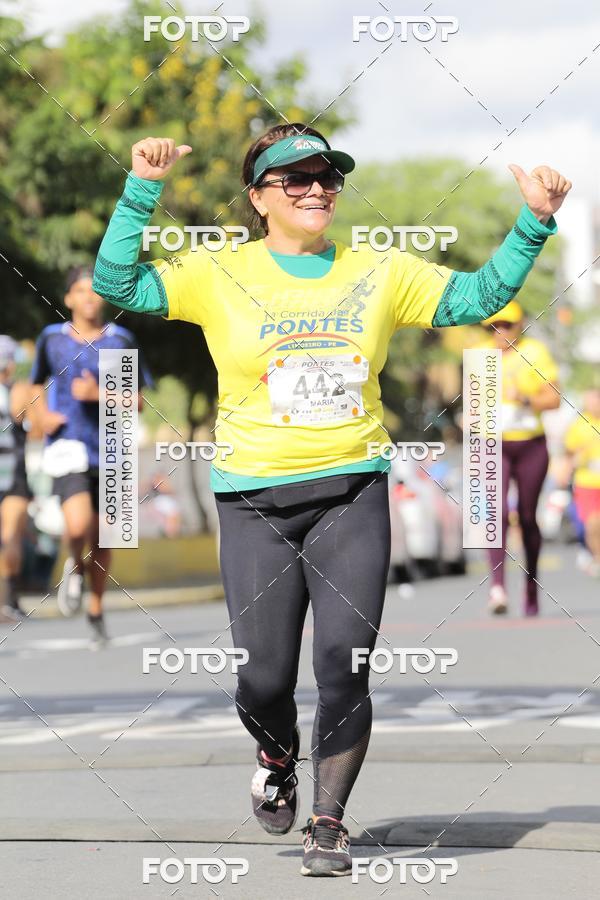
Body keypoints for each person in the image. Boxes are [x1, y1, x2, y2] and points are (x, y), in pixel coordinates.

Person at [92, 125, 570, 876]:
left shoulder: (379, 270)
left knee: (345, 664)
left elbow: (482, 295)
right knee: (263, 679)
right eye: (295, 179)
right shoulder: (219, 272)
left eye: (327, 177)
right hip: (254, 501)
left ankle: (328, 819)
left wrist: (534, 220)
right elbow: (117, 285)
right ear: (259, 198)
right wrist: (141, 188)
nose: (316, 188)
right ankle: (276, 751)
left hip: (352, 490)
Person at [30, 266, 151, 647]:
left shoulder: (118, 342)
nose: (88, 298)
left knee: (105, 538)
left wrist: (100, 395)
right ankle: (73, 565)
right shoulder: (53, 340)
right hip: (68, 444)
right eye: (80, 291)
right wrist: (39, 415)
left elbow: (138, 402)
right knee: (79, 524)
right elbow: (33, 384)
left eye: (94, 291)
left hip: (113, 447)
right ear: (68, 299)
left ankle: (96, 608)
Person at [478, 301, 560, 616]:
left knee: (526, 517)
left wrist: (525, 398)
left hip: (530, 444)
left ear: (520, 324)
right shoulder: (480, 354)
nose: (501, 333)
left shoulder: (536, 352)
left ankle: (531, 586)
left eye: (507, 326)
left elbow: (554, 398)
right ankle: (497, 587)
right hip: (493, 444)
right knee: (495, 512)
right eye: (495, 327)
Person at [0, 336, 34, 623]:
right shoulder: (19, 390)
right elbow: (35, 430)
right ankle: (9, 600)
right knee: (11, 535)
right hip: (14, 475)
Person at [564, 388, 600, 575]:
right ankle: (597, 557)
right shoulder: (579, 425)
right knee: (593, 522)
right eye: (590, 401)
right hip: (587, 482)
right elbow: (568, 453)